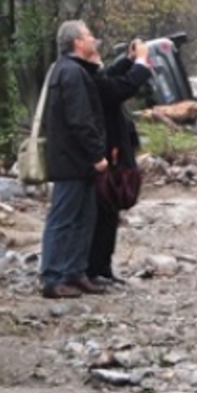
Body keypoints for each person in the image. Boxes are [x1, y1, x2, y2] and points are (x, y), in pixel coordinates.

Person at [39, 20, 111, 299]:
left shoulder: (67, 70)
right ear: (77, 42)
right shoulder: (72, 73)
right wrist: (97, 155)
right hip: (72, 160)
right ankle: (53, 276)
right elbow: (80, 120)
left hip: (72, 159)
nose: (94, 39)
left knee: (84, 217)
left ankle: (74, 272)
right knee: (63, 218)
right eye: (89, 35)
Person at [87, 38, 153, 284]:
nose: (95, 42)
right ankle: (93, 268)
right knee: (103, 212)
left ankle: (102, 267)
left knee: (109, 213)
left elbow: (111, 77)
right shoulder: (87, 77)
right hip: (105, 154)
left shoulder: (91, 75)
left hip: (112, 152)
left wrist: (128, 60)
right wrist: (142, 64)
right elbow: (118, 89)